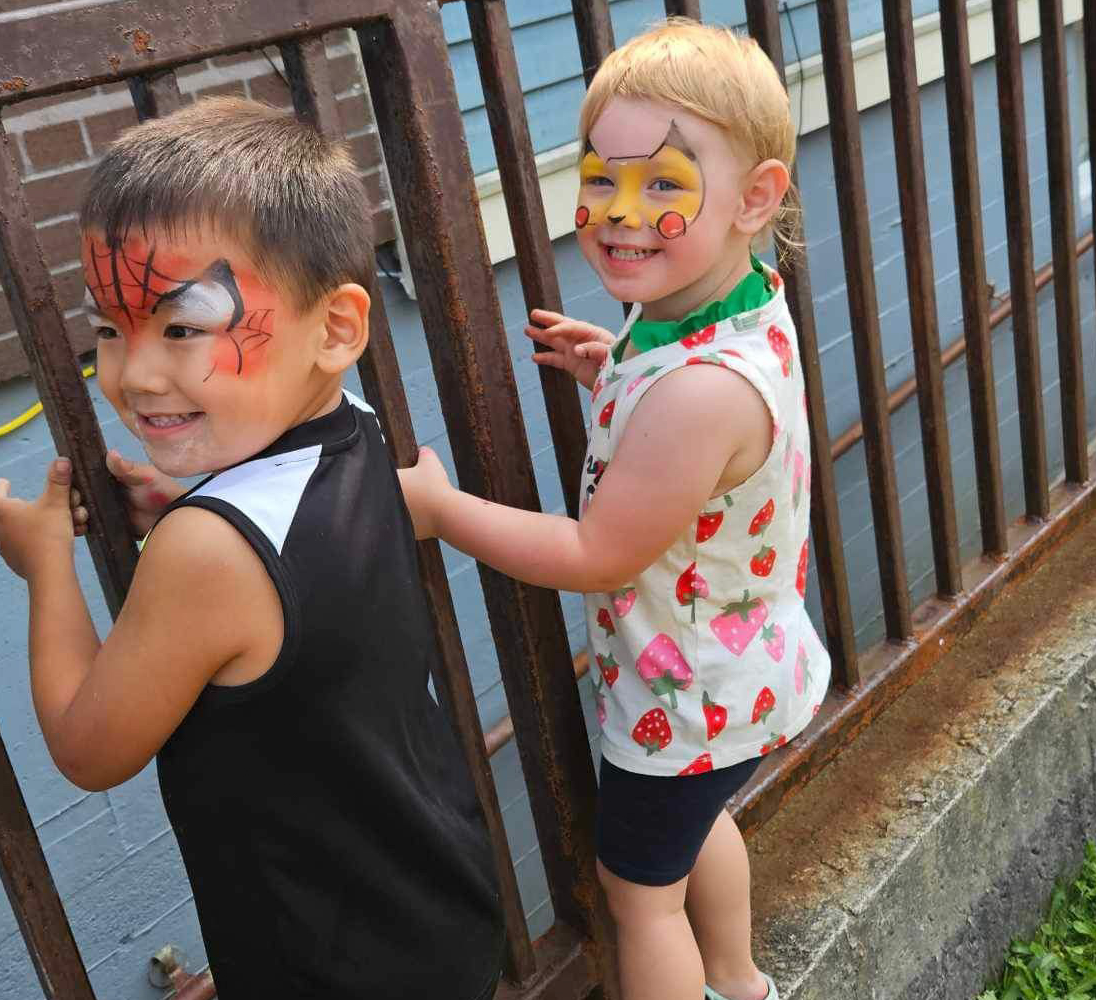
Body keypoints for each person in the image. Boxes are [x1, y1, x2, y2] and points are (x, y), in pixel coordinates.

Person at [0, 96, 504, 1000]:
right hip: (435, 906)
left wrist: (47, 560)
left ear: (335, 328)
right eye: (107, 328)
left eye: (181, 327)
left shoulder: (206, 552)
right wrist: (184, 498)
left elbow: (91, 750)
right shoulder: (355, 427)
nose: (132, 374)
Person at [397, 19, 828, 1000]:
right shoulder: (716, 305)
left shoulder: (697, 388)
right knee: (694, 828)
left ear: (756, 198)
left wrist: (442, 508)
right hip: (740, 672)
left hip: (684, 702)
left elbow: (596, 551)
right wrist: (614, 368)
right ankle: (740, 982)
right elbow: (695, 461)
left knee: (636, 892)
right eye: (600, 177)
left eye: (664, 184)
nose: (617, 213)